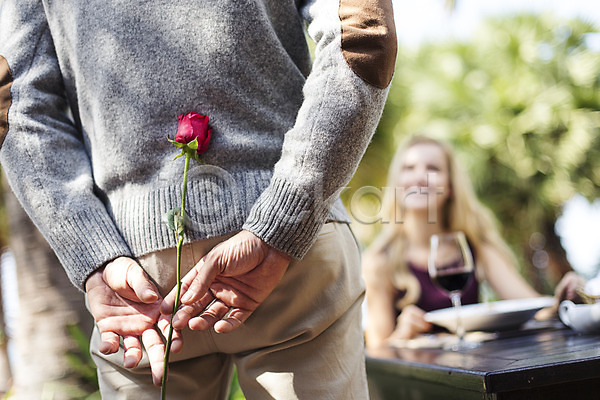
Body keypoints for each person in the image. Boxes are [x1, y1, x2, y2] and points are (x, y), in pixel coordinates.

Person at [0, 1, 397, 398]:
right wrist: (284, 217)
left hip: (135, 282)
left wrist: (94, 251)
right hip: (291, 260)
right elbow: (363, 32)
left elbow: (14, 103)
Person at [361, 135, 541, 349]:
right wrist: (402, 333)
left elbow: (535, 308)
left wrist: (567, 299)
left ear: (450, 187)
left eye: (433, 169)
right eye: (408, 168)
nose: (419, 177)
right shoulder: (380, 260)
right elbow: (377, 351)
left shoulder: (475, 245)